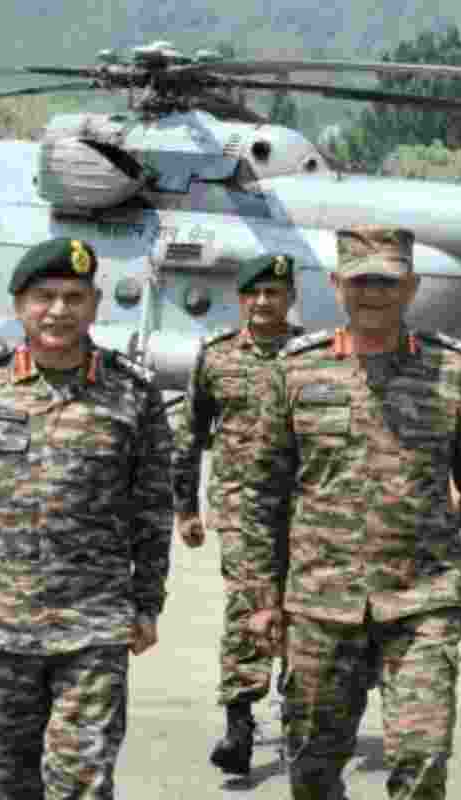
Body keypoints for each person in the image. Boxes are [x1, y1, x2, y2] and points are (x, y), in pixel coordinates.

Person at [239, 225, 461, 800]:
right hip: (319, 601)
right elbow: (261, 493)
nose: (374, 293)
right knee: (311, 767)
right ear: (336, 286)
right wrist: (260, 598)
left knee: (423, 758)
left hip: (423, 598)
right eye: (361, 281)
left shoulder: (454, 371)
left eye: (387, 281)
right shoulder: (295, 371)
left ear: (410, 288)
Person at [0, 237, 173, 800]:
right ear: (18, 304)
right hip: (1, 619)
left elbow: (152, 508)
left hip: (95, 623)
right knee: (10, 778)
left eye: (73, 297)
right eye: (44, 296)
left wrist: (148, 602)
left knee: (82, 780)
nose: (58, 310)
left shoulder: (132, 394)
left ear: (95, 304)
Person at [171, 254, 306, 775]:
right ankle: (240, 723)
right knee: (247, 609)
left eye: (274, 293)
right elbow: (190, 436)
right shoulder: (217, 356)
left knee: (302, 611)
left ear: (290, 299)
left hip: (307, 507)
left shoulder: (311, 356)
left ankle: (300, 713)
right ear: (241, 298)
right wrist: (185, 507)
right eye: (254, 293)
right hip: (243, 504)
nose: (264, 303)